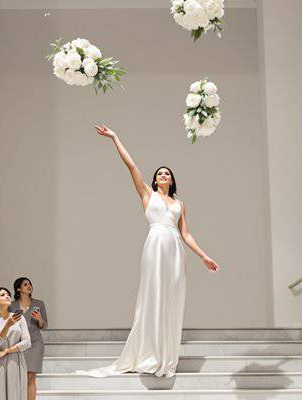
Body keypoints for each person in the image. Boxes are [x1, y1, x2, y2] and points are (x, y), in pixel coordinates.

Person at [88, 125, 219, 377]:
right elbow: (132, 166)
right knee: (154, 295)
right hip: (156, 245)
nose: (163, 175)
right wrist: (115, 138)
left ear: (172, 180)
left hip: (175, 250)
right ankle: (149, 353)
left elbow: (186, 233)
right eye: (159, 173)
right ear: (154, 179)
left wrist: (203, 255)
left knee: (171, 299)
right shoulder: (148, 195)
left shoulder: (179, 204)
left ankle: (165, 355)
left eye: (167, 174)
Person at [9, 277, 48, 400]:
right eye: (25, 284)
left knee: (31, 376)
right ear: (18, 289)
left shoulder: (39, 304)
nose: (29, 286)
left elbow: (44, 326)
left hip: (36, 343)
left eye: (30, 284)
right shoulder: (11, 306)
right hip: (18, 344)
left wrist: (39, 319)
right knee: (20, 378)